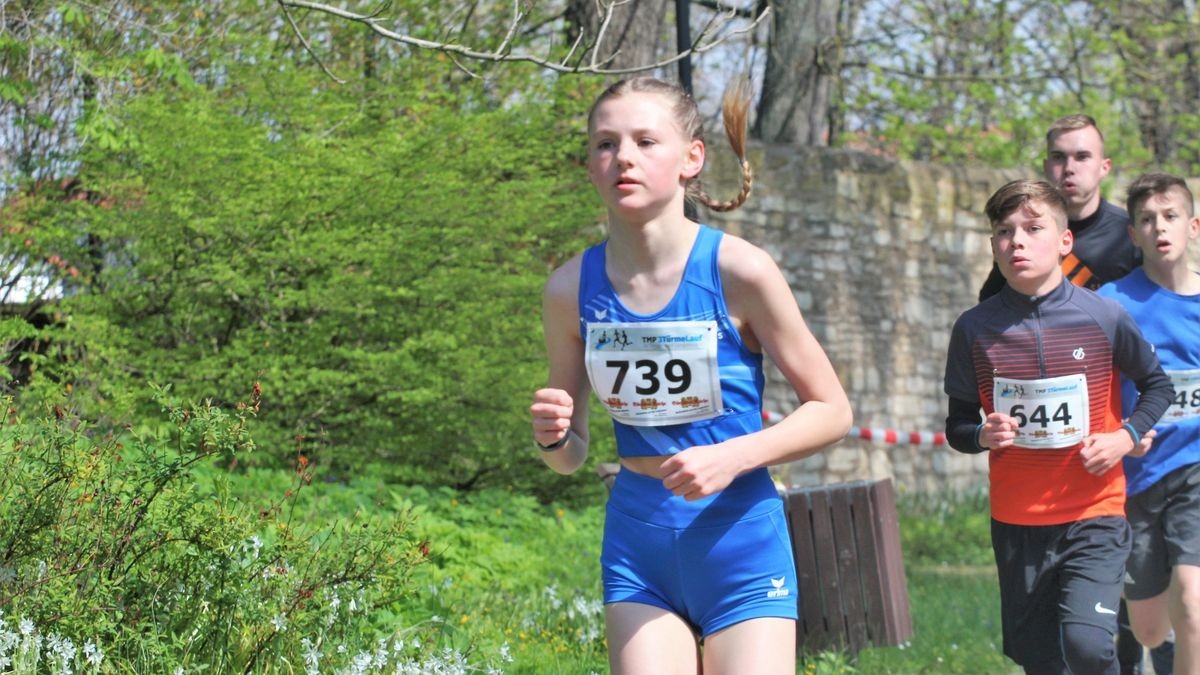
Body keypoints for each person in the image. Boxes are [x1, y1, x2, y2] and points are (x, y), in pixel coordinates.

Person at [528, 77, 852, 674]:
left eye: (646, 141)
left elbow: (832, 410)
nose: (622, 156)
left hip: (740, 537)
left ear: (691, 159)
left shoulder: (741, 271)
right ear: (590, 166)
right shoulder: (568, 289)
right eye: (605, 144)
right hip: (638, 540)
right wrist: (553, 437)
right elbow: (571, 456)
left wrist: (731, 458)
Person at [944, 179, 1174, 675]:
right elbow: (957, 424)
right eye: (1004, 232)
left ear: (1064, 242)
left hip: (1095, 512)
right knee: (1040, 660)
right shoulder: (974, 329)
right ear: (993, 247)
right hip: (1018, 519)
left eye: (1032, 228)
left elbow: (1158, 386)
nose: (1017, 242)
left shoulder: (1104, 316)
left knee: (1089, 647)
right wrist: (981, 434)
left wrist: (1125, 436)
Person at [1097, 172, 1200, 675]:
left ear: (1193, 226)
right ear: (1134, 234)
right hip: (1137, 479)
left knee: (1194, 606)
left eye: (1171, 216)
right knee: (1150, 629)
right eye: (1147, 219)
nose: (1160, 227)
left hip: (1196, 472)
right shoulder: (1114, 304)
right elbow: (1093, 387)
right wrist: (1124, 434)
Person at [978, 115, 1139, 301]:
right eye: (1058, 157)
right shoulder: (1021, 233)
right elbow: (990, 308)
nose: (1069, 168)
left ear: (1104, 167)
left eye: (1082, 157)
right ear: (1046, 167)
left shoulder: (1130, 235)